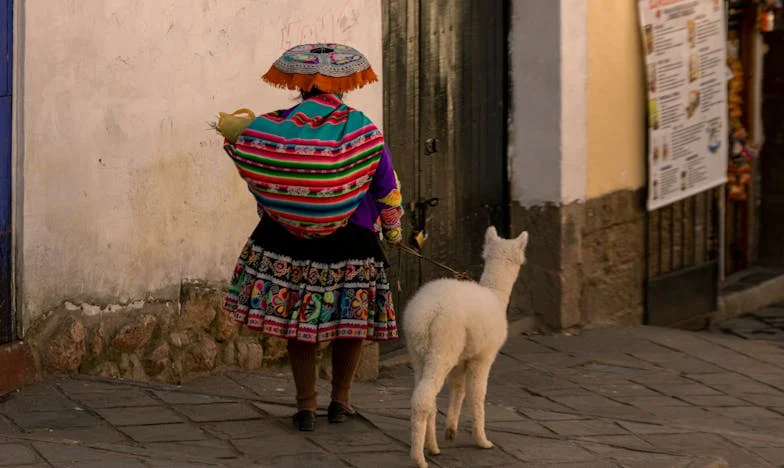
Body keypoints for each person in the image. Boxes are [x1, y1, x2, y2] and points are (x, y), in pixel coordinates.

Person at [219, 43, 403, 432]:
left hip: (288, 241)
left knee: (299, 324)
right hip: (352, 240)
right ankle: (341, 401)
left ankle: (305, 406)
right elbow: (386, 184)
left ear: (300, 85)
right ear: (343, 85)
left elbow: (261, 174)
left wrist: (281, 207)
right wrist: (394, 227)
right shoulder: (362, 127)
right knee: (347, 322)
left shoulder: (276, 125)